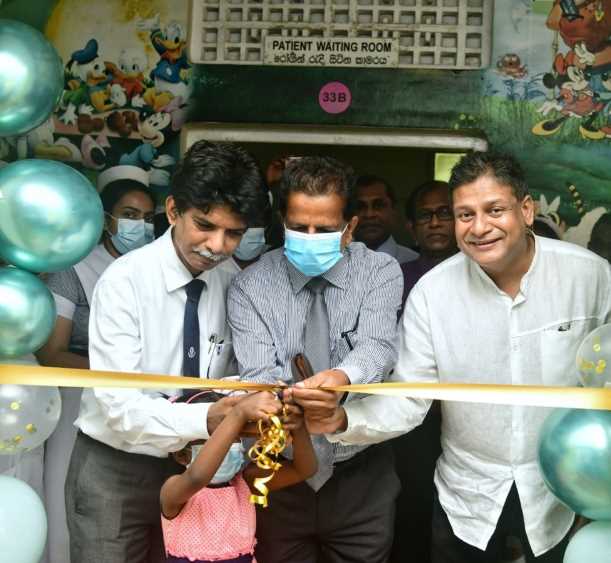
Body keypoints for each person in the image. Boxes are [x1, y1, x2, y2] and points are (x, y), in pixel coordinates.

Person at [302, 152, 611, 562]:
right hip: (468, 497)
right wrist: (345, 420)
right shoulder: (432, 295)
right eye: (465, 215)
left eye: (494, 210)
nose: (479, 227)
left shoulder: (589, 276)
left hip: (563, 494)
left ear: (526, 209)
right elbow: (409, 398)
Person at [64, 141, 269, 563]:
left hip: (196, 469)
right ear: (173, 211)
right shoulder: (125, 282)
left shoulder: (232, 281)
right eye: (205, 225)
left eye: (233, 233)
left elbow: (229, 374)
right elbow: (119, 407)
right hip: (116, 468)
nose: (217, 245)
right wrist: (213, 416)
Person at [228, 156, 403, 563]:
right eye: (298, 227)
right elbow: (257, 375)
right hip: (281, 473)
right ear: (281, 223)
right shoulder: (249, 286)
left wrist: (340, 380)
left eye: (323, 230)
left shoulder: (380, 272)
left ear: (349, 229)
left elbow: (378, 347)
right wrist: (290, 404)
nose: (309, 238)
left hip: (360, 472)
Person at [35, 164, 155, 563]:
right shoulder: (75, 268)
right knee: (71, 496)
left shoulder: (155, 270)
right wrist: (119, 370)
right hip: (77, 400)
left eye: (147, 217)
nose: (140, 225)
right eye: (130, 215)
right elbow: (52, 353)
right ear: (107, 220)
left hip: (149, 405)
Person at [160, 390, 317, 563]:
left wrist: (298, 425)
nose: (226, 445)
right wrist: (238, 414)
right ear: (181, 455)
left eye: (233, 436)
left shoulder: (245, 483)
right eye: (215, 438)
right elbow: (197, 478)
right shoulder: (172, 490)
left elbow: (305, 469)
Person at [391, 179, 457, 563]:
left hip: (470, 421)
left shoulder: (485, 275)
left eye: (445, 213)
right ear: (411, 227)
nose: (435, 223)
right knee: (413, 510)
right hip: (413, 422)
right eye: (425, 215)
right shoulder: (395, 278)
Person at [353, 174, 418, 264]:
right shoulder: (333, 264)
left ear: (394, 211)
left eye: (378, 205)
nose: (369, 214)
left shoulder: (413, 262)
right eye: (360, 207)